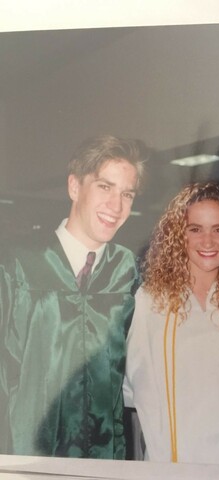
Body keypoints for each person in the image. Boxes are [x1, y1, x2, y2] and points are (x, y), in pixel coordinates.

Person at [0, 134, 148, 458]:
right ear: (74, 187)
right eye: (104, 187)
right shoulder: (18, 267)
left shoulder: (129, 273)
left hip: (104, 460)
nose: (116, 206)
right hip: (28, 460)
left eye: (127, 194)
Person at [124, 181, 219, 465]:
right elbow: (132, 392)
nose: (208, 241)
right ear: (180, 235)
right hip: (169, 467)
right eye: (195, 229)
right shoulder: (150, 302)